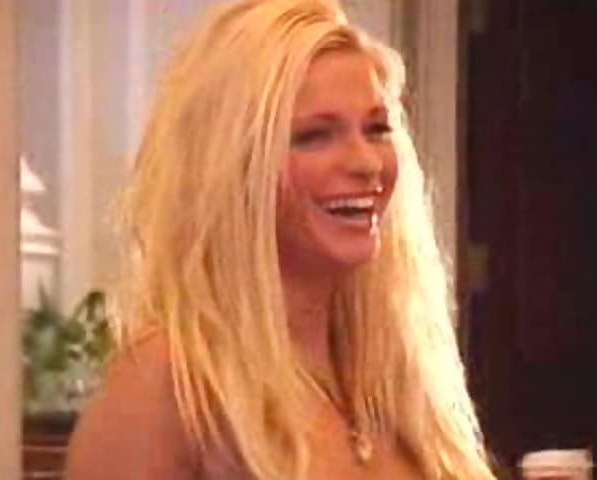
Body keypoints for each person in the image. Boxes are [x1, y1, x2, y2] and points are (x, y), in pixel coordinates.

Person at [66, 0, 496, 478]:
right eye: (315, 136)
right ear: (231, 164)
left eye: (376, 129)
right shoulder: (169, 384)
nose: (366, 162)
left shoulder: (403, 385)